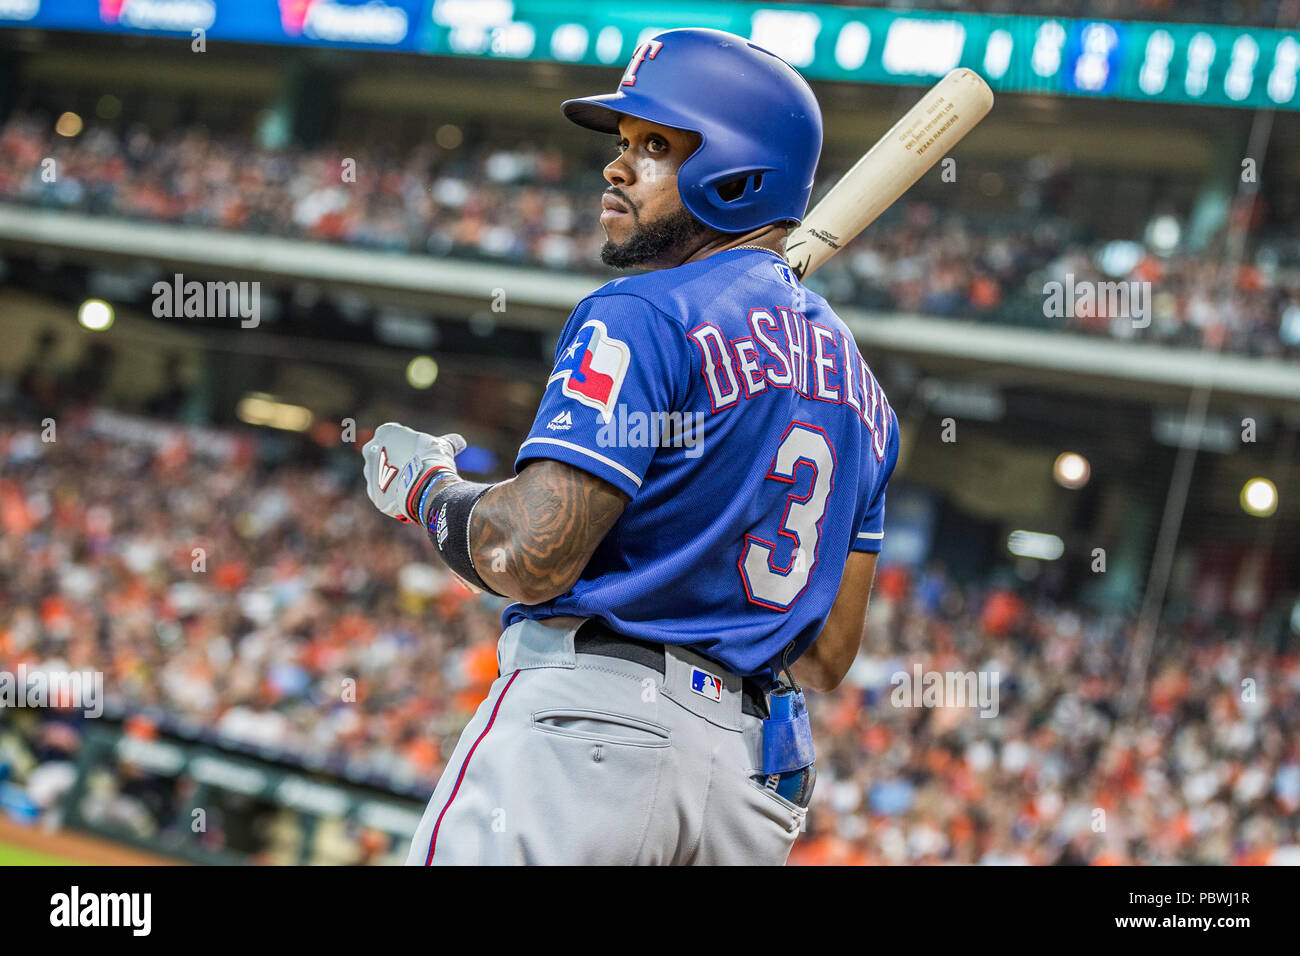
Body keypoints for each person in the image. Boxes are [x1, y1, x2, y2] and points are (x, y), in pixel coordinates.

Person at [362, 27, 899, 865]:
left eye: (655, 146)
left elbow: (526, 553)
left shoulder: (645, 310)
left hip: (593, 739)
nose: (616, 167)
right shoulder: (865, 399)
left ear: (738, 171)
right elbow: (827, 655)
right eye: (623, 144)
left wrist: (428, 491)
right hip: (747, 791)